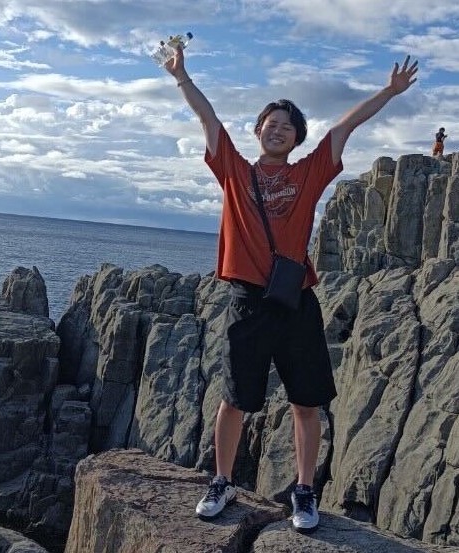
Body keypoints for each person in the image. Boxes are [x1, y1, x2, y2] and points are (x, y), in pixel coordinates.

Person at [165, 48, 418, 533]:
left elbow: (345, 126)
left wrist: (389, 91)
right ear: (258, 130)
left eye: (287, 126)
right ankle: (222, 481)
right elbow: (208, 118)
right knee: (234, 399)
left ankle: (304, 490)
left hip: (296, 300)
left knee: (305, 402)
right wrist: (181, 76)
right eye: (270, 123)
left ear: (297, 137)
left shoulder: (308, 173)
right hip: (247, 302)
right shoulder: (235, 171)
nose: (277, 129)